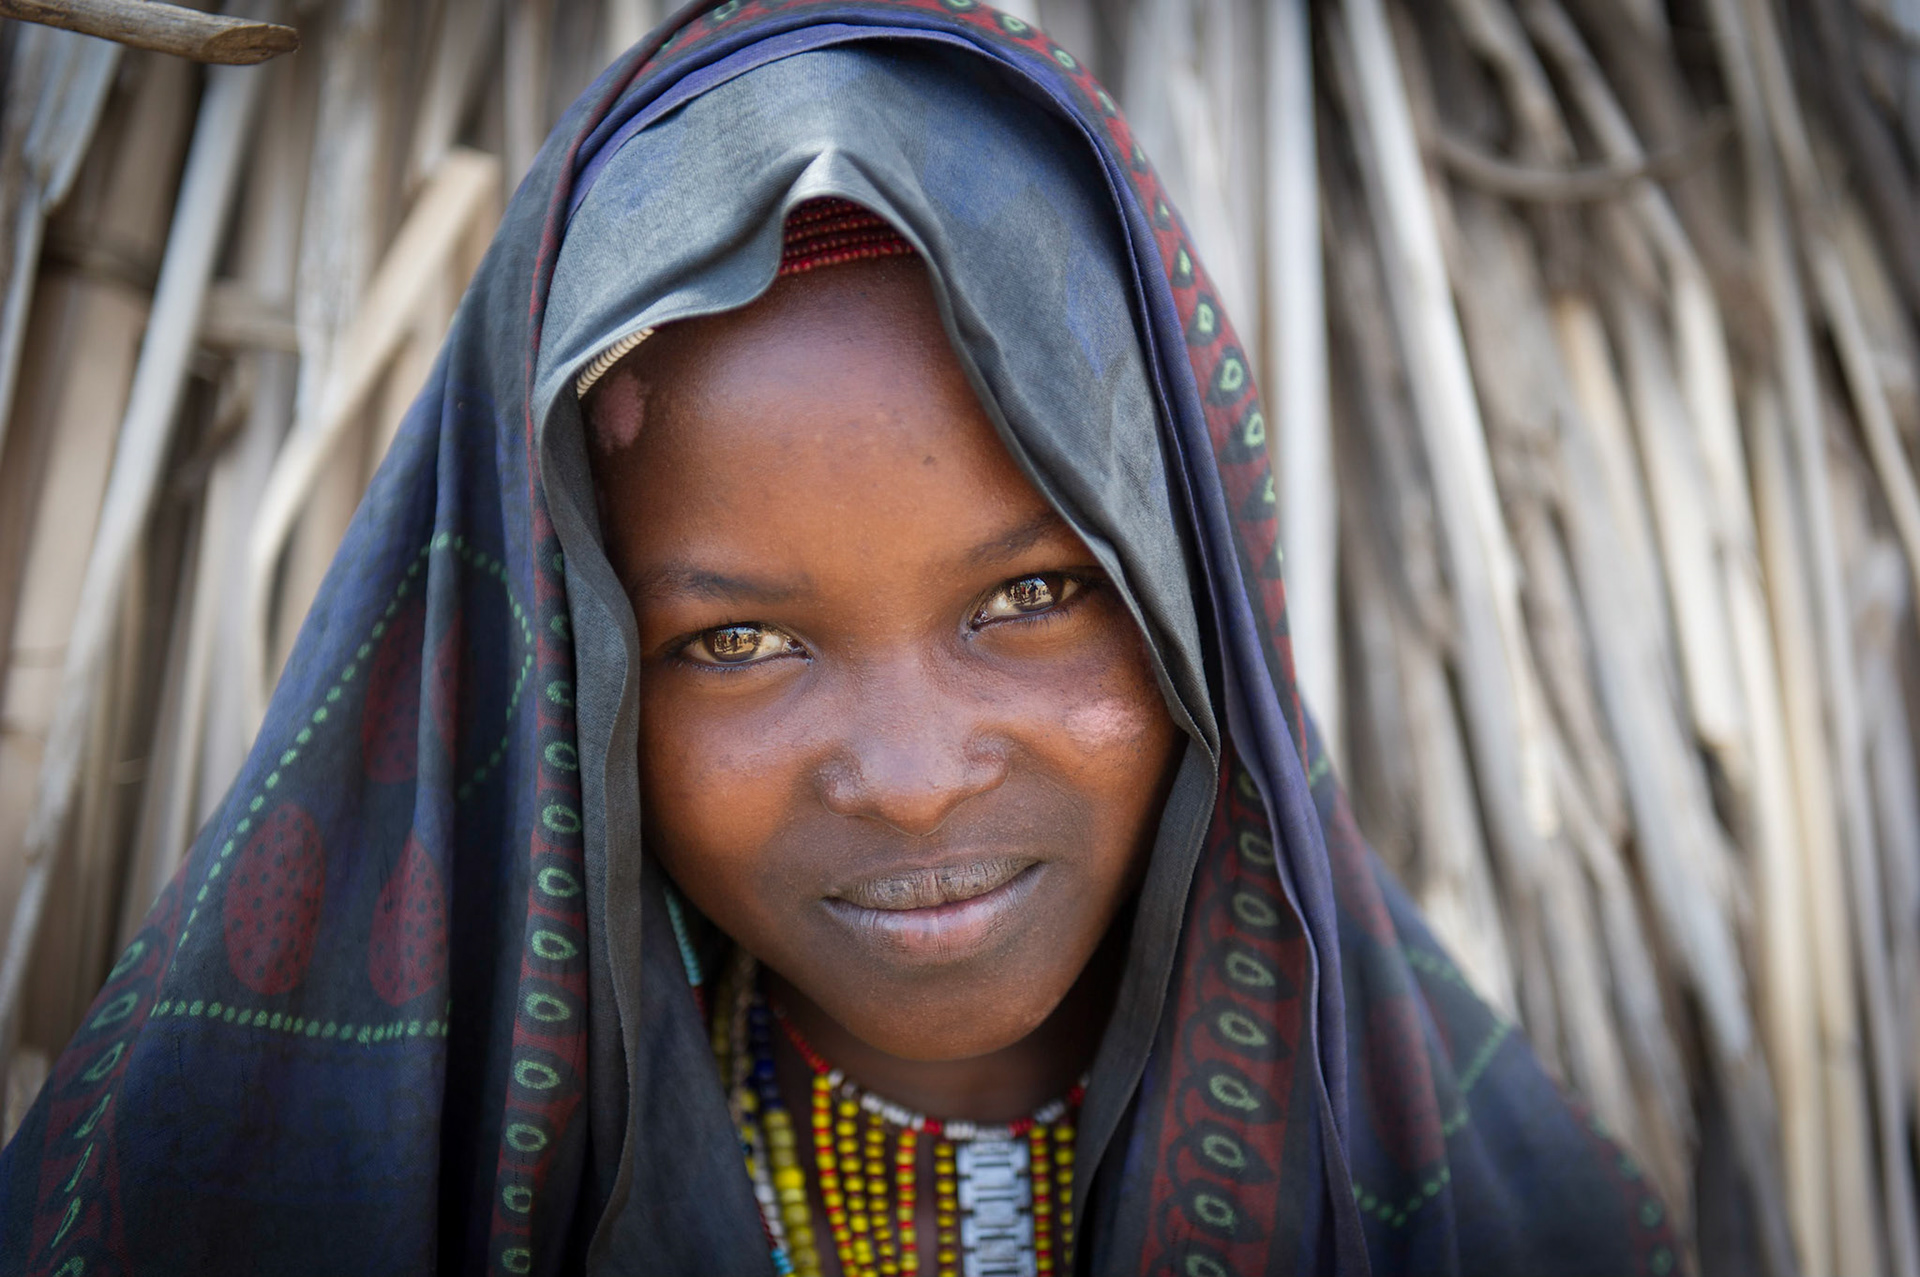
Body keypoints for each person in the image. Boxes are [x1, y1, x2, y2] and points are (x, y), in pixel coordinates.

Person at [0, 3, 1682, 1275]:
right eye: (736, 641)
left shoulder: (1488, 1199)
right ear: (574, 677)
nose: (914, 779)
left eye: (1028, 596)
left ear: (1192, 591)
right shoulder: (303, 1187)